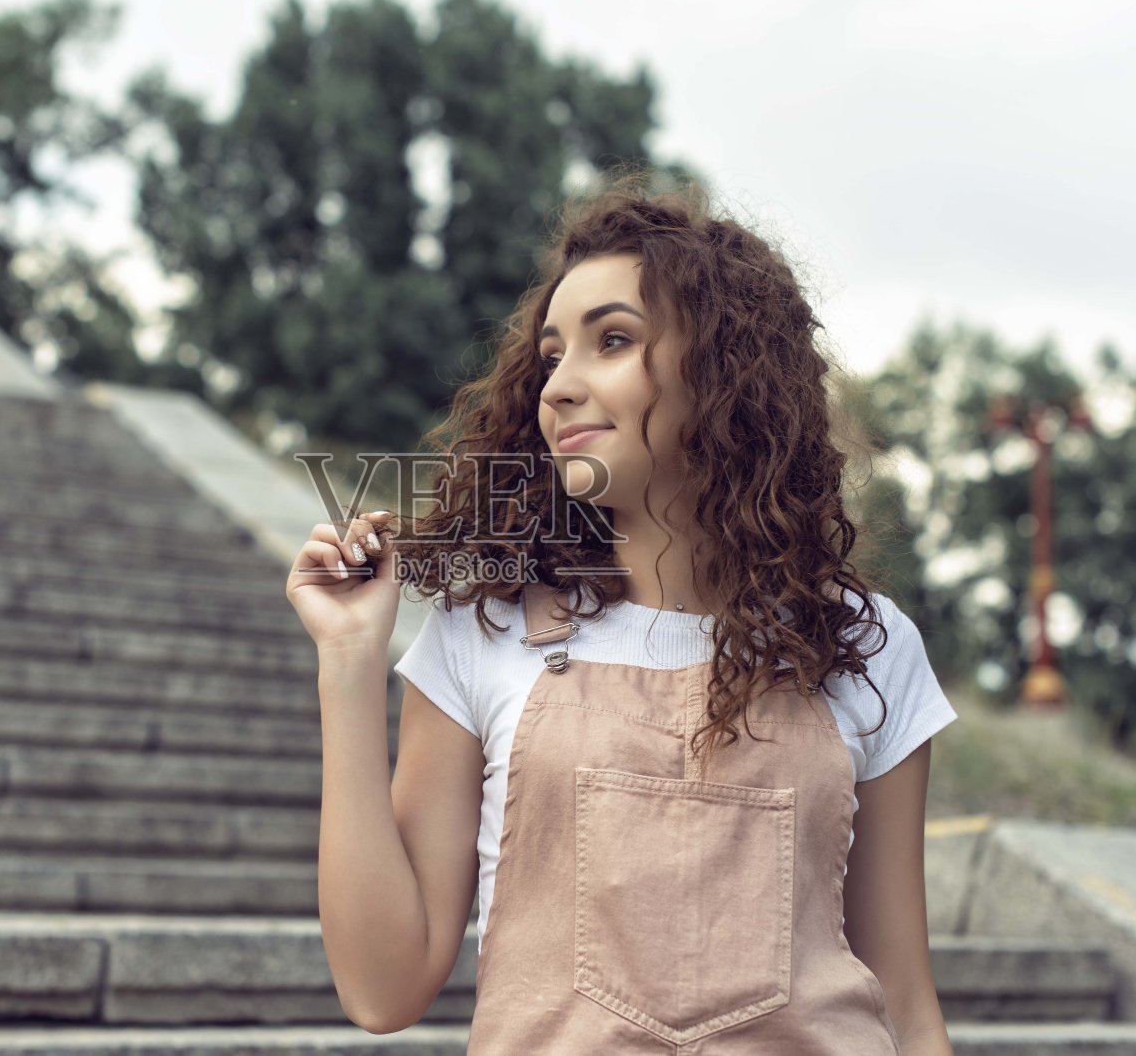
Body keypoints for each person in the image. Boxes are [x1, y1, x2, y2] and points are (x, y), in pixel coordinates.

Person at [286, 164, 958, 1054]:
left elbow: (905, 1004)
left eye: (611, 341)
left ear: (724, 371)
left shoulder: (863, 645)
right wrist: (348, 661)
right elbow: (383, 987)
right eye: (553, 353)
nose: (558, 385)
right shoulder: (481, 634)